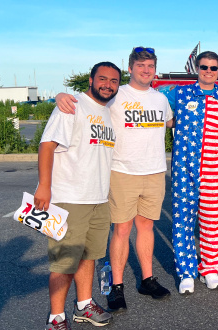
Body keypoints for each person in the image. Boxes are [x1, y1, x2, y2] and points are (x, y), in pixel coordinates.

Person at [55, 47, 174, 308]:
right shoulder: (117, 95)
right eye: (141, 66)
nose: (146, 70)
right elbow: (87, 101)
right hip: (122, 171)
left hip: (154, 171)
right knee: (122, 229)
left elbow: (172, 123)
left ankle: (147, 279)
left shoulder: (160, 99)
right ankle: (116, 286)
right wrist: (60, 95)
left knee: (146, 227)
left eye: (150, 66)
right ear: (130, 68)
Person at [36, 62, 120, 330]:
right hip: (70, 197)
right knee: (64, 262)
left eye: (113, 81)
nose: (107, 84)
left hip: (98, 198)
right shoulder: (72, 106)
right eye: (102, 79)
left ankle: (84, 306)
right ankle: (56, 319)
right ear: (91, 80)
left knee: (89, 256)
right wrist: (44, 187)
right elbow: (46, 145)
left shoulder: (107, 112)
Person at [163, 51, 218, 293]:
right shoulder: (179, 92)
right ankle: (186, 271)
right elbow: (149, 104)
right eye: (204, 66)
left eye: (214, 68)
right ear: (196, 67)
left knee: (213, 221)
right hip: (185, 168)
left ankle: (210, 268)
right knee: (183, 220)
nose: (208, 71)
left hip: (214, 167)